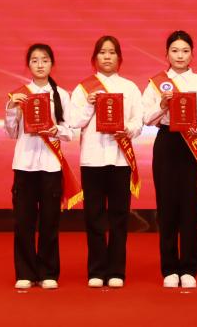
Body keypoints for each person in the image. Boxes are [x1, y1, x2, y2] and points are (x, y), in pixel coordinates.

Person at [68, 35, 143, 288]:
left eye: (112, 52)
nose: (107, 57)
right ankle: (96, 270)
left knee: (119, 217)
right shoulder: (84, 89)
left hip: (120, 160)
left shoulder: (130, 88)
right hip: (92, 160)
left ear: (119, 58)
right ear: (94, 58)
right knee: (94, 216)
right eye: (102, 52)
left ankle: (117, 271)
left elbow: (138, 121)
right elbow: (74, 122)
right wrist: (89, 106)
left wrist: (127, 130)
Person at [4, 43, 81, 290]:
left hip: (50, 166)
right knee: (23, 222)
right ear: (28, 65)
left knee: (50, 222)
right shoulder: (19, 95)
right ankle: (25, 272)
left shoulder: (62, 95)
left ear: (52, 64)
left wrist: (54, 130)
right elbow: (11, 133)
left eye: (45, 60)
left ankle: (48, 272)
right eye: (35, 60)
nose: (40, 65)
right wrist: (12, 109)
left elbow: (71, 132)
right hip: (24, 165)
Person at [142, 30, 197, 289]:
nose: (180, 55)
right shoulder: (156, 83)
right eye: (175, 51)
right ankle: (170, 267)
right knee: (167, 207)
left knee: (191, 206)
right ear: (166, 54)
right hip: (166, 143)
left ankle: (189, 268)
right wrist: (162, 105)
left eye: (185, 51)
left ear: (192, 54)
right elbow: (145, 119)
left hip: (191, 144)